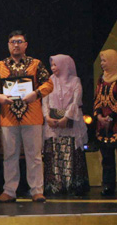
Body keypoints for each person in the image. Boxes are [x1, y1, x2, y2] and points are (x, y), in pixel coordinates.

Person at [0, 30, 53, 203]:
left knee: (35, 155)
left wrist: (37, 93)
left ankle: (37, 190)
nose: (16, 45)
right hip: (8, 117)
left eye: (19, 41)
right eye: (12, 42)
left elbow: (48, 83)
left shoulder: (36, 64)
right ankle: (9, 191)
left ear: (25, 44)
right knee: (9, 155)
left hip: (32, 115)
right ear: (8, 45)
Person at [42, 54, 90, 196]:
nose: (53, 68)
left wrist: (66, 117)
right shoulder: (49, 81)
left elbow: (76, 101)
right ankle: (56, 185)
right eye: (52, 65)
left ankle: (71, 185)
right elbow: (45, 101)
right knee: (55, 153)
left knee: (71, 152)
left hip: (71, 124)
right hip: (53, 124)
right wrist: (47, 117)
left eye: (56, 65)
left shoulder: (75, 81)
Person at [94, 49, 117, 196]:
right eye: (101, 61)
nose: (102, 64)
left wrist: (110, 118)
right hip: (103, 125)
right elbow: (97, 99)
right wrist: (98, 117)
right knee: (107, 158)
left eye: (105, 60)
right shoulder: (101, 79)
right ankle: (108, 186)